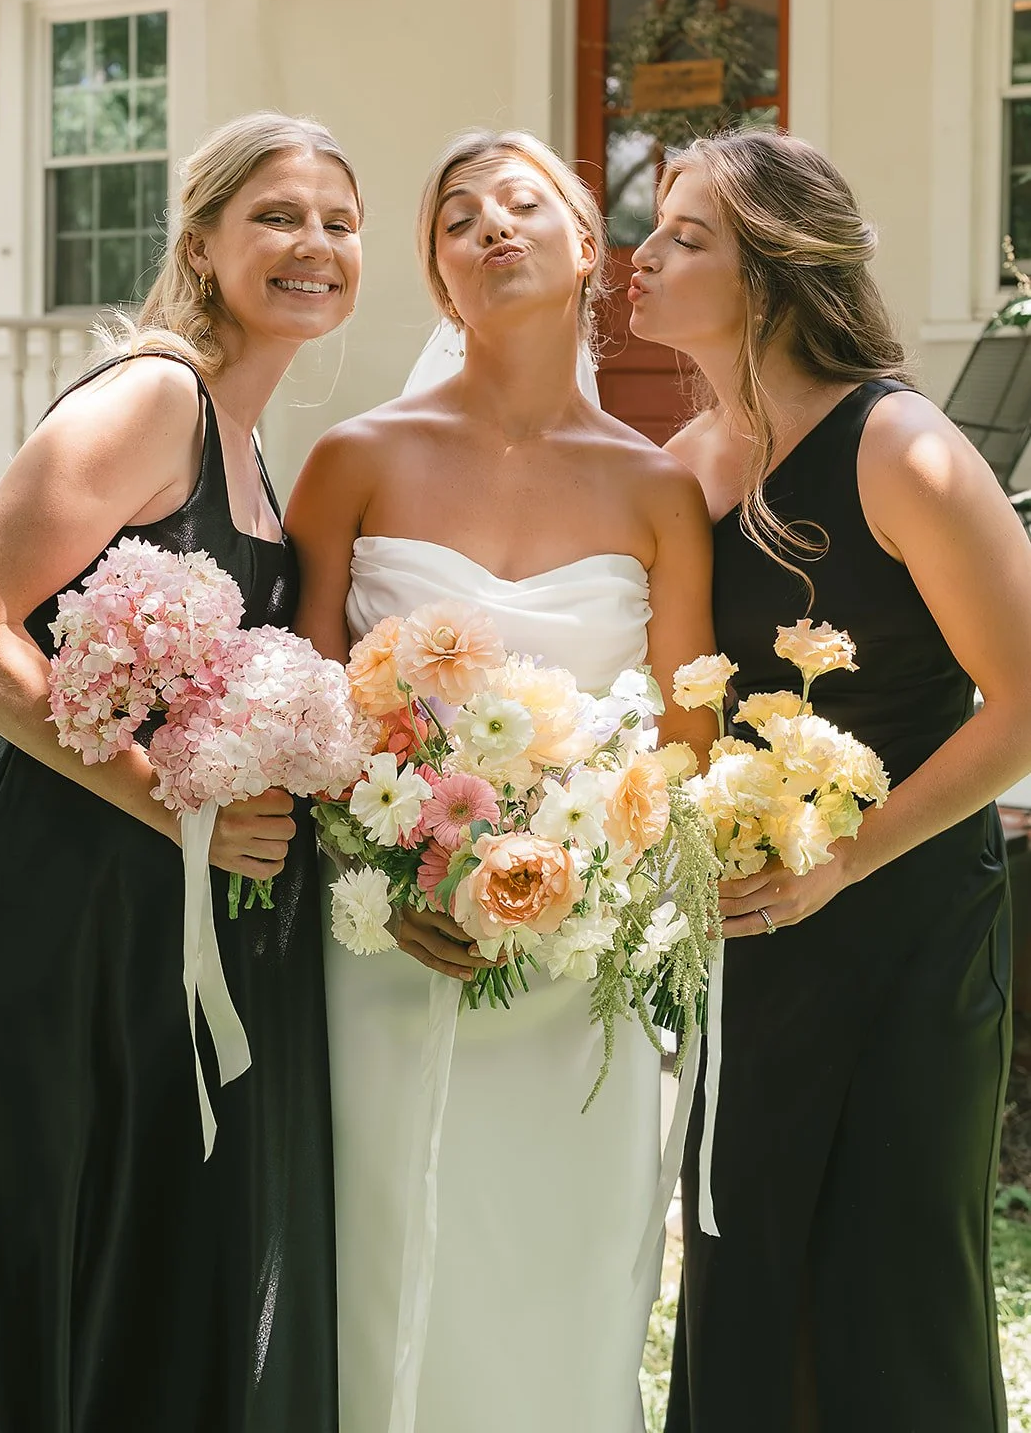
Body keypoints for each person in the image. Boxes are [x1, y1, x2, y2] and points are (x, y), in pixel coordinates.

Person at [286, 128, 716, 1433]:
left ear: (587, 250)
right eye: (457, 218)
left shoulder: (657, 487)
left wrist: (594, 879)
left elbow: (684, 742)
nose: (490, 228)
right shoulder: (352, 461)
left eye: (522, 205)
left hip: (580, 971)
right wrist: (387, 865)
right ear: (439, 273)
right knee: (385, 1257)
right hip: (388, 948)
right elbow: (305, 714)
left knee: (567, 1268)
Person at [626, 126, 1031, 1433]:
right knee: (742, 1256)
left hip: (906, 918)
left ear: (769, 277)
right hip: (754, 929)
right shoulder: (688, 462)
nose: (643, 254)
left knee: (890, 1279)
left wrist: (845, 862)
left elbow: (1025, 708)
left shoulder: (898, 448)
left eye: (685, 236)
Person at [0, 110, 362, 1432]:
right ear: (200, 242)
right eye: (277, 216)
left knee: (125, 1238)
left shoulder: (249, 445)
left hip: (153, 909)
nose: (314, 244)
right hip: (55, 886)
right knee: (35, 1219)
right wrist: (162, 798)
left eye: (340, 222)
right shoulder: (155, 397)